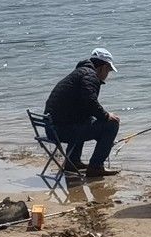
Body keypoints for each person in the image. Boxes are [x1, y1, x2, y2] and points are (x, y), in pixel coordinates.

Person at [44, 48, 121, 178]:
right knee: (112, 125)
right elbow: (90, 101)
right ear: (102, 67)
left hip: (53, 128)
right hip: (61, 130)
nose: (107, 74)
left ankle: (72, 162)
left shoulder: (79, 73)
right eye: (108, 70)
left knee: (87, 119)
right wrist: (107, 115)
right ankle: (95, 167)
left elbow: (85, 106)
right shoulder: (90, 76)